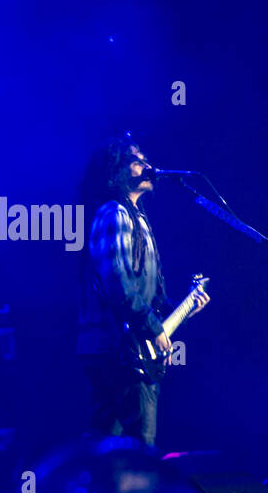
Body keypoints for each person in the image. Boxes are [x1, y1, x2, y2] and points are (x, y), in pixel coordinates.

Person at [76, 133, 208, 447]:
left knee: (108, 445)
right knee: (138, 447)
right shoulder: (115, 214)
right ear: (115, 172)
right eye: (137, 161)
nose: (147, 165)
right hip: (118, 348)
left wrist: (184, 308)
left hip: (122, 344)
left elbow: (142, 292)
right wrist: (150, 327)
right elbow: (117, 282)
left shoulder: (136, 218)